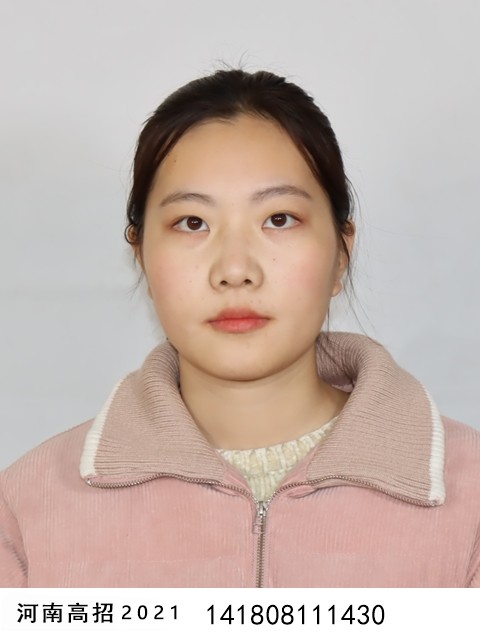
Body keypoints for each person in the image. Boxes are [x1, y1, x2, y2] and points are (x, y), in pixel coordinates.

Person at [1, 68, 479, 588]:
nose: (234, 269)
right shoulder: (26, 509)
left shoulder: (470, 499)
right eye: (192, 223)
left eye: (279, 219)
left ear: (342, 253)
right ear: (141, 256)